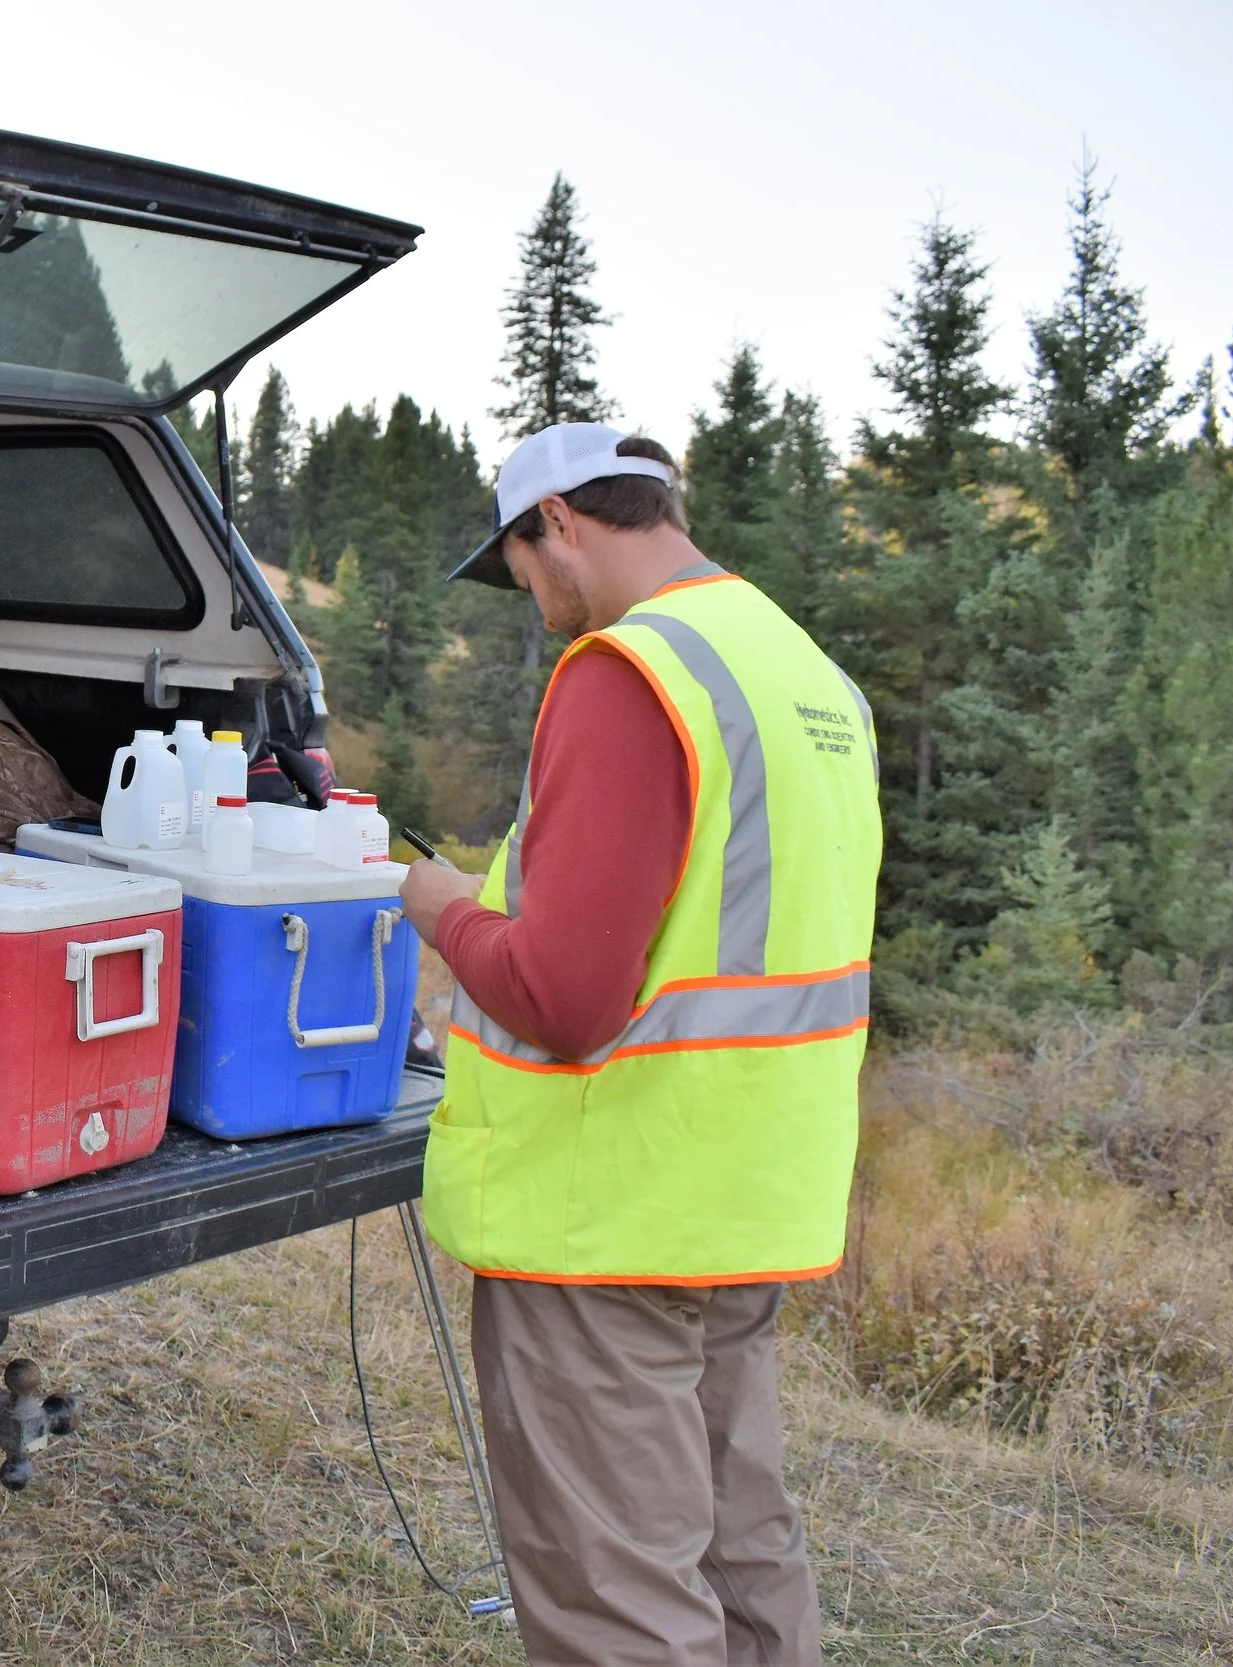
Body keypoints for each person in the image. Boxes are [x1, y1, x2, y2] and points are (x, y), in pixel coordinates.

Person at [399, 423, 882, 1665]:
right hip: (742, 1189)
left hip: (601, 1208)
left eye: (515, 556)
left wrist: (437, 903)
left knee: (617, 1592)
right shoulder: (799, 667)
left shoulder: (631, 671)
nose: (524, 593)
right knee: (737, 1543)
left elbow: (563, 996)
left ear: (557, 521)